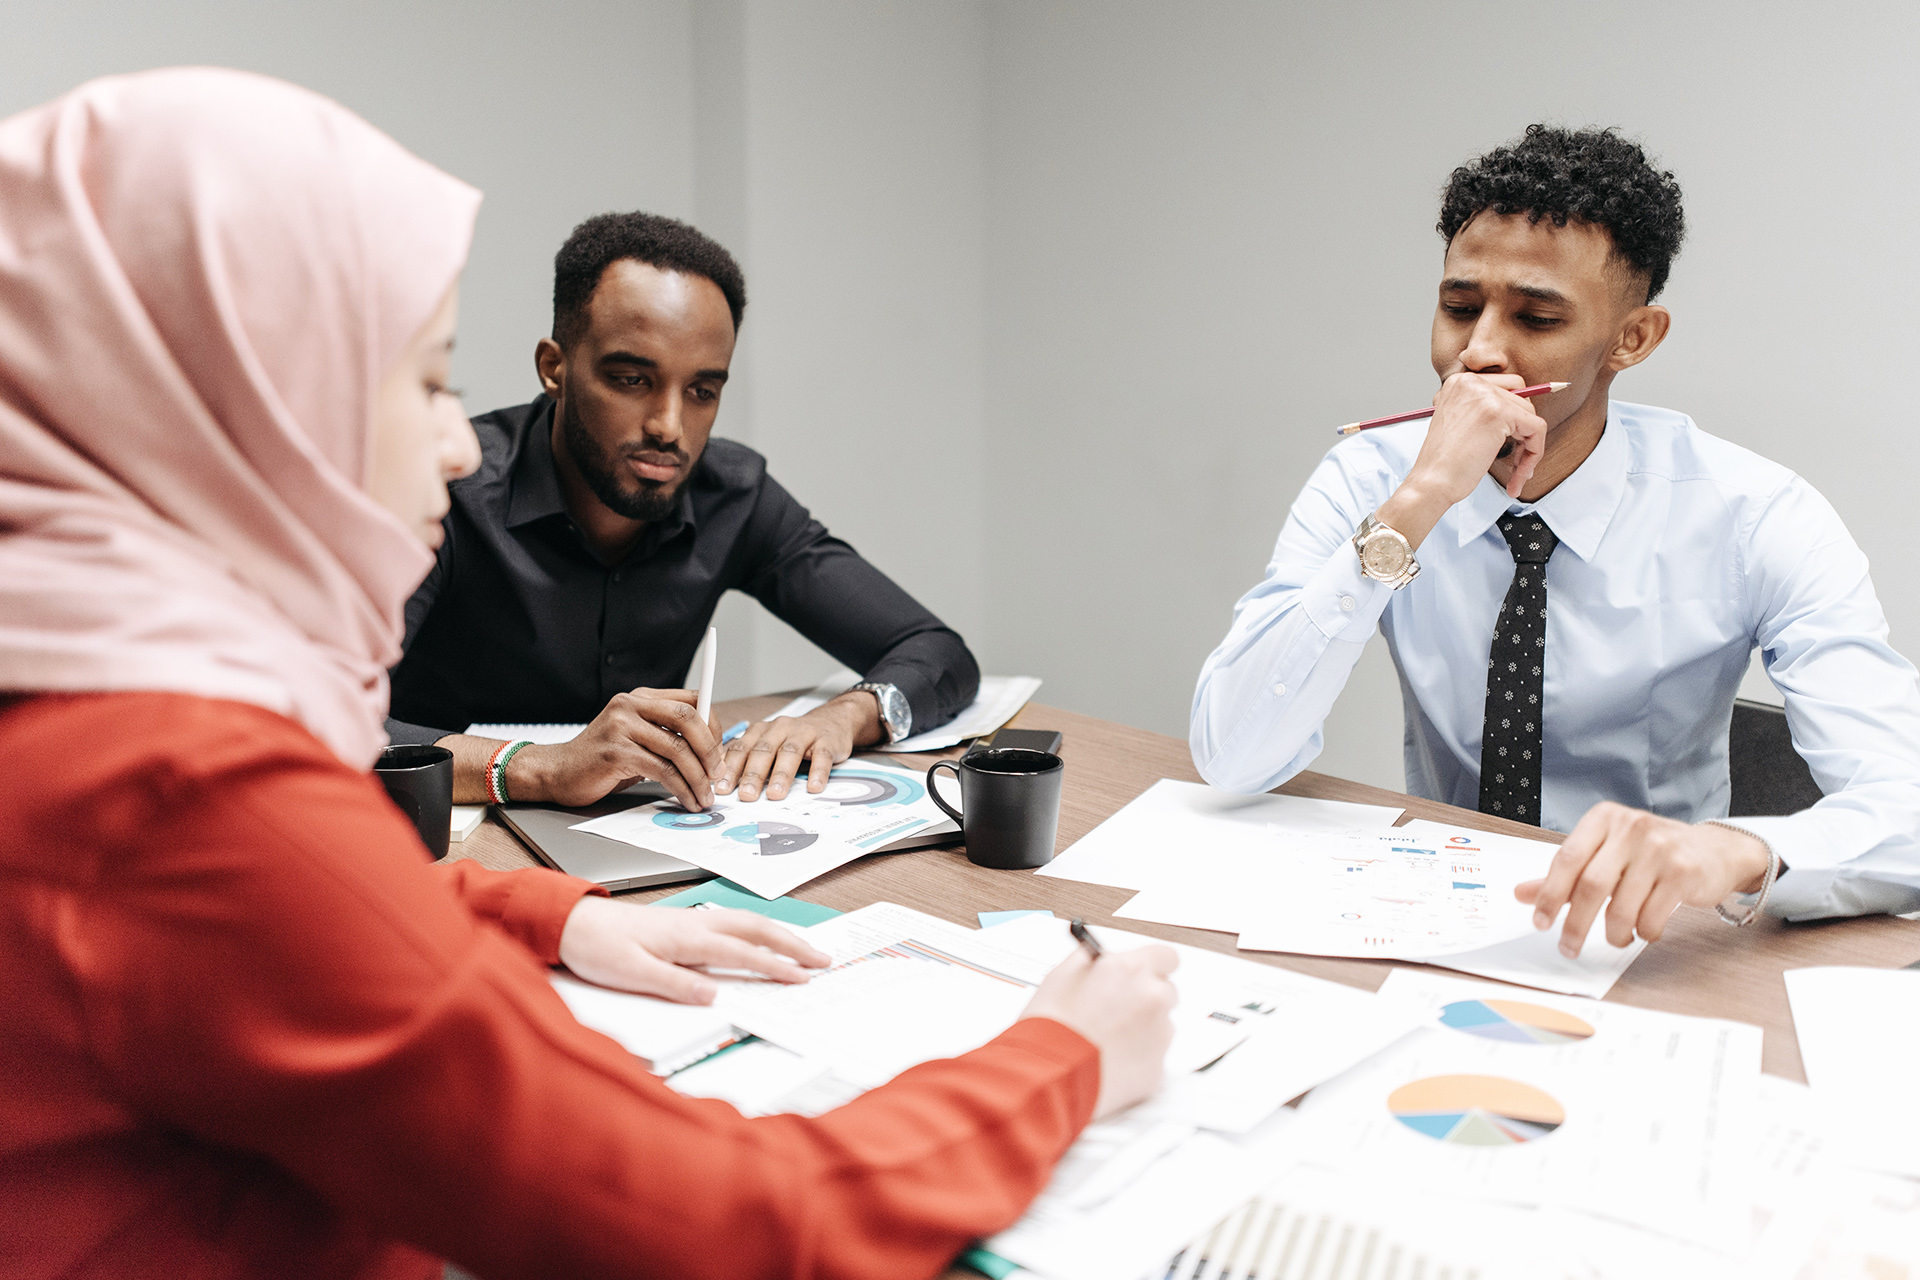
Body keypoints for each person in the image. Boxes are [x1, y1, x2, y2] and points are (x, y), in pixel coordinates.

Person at [0, 68, 1177, 1280]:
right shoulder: (185, 790)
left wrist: (557, 915)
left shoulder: (80, 697)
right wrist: (1056, 1055)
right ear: (239, 398)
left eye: (704, 388)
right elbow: (723, 1221)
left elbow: (287, 914)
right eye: (418, 381)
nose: (454, 437)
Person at [1190, 125, 1920, 955]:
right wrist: (1418, 504)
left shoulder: (1758, 516)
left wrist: (1731, 849)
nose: (1478, 354)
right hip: (1433, 910)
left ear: (1631, 339)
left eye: (1535, 318)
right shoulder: (1373, 482)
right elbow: (1233, 754)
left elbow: (1909, 811)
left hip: (1650, 937)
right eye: (1459, 308)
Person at [384, 211, 978, 813]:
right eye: (631, 379)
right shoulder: (446, 489)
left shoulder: (734, 496)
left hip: (641, 834)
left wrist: (848, 716)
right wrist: (541, 769)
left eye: (702, 392)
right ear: (555, 368)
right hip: (444, 833)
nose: (669, 427)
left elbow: (936, 651)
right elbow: (326, 721)